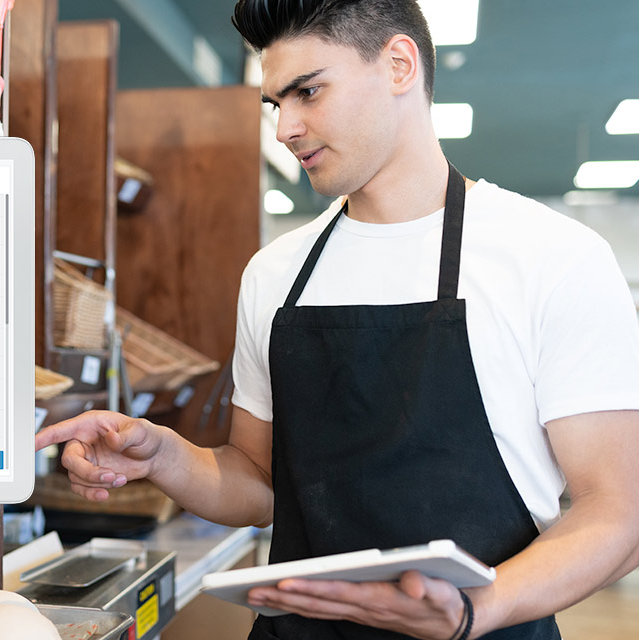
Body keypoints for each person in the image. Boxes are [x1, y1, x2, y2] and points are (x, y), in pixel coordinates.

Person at [34, 1, 639, 638]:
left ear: (400, 65)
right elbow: (260, 481)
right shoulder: (276, 275)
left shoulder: (551, 258)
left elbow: (617, 512)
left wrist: (474, 611)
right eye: (275, 103)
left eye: (308, 91)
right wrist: (166, 457)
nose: (285, 128)